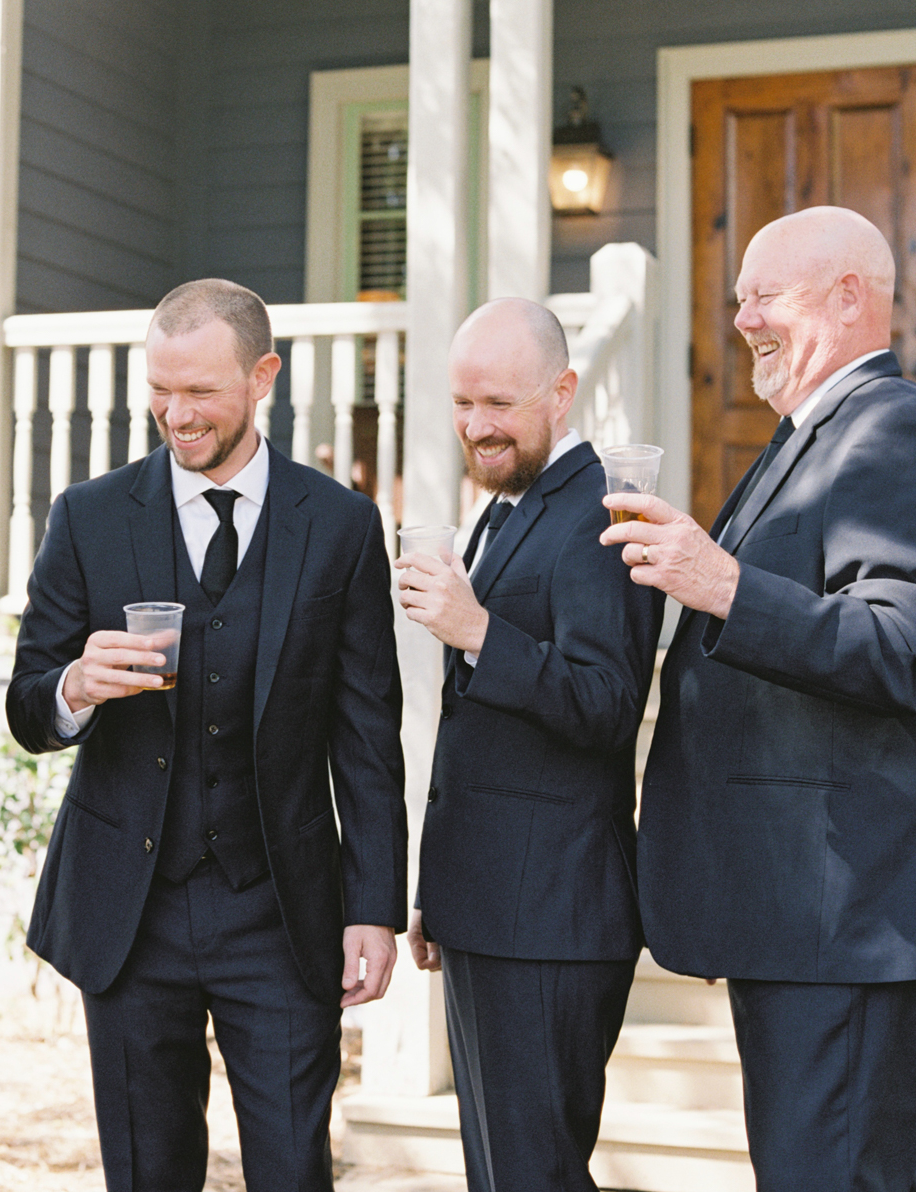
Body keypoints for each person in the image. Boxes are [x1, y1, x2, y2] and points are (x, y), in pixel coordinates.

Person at [602, 206, 916, 1191]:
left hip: (857, 916)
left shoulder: (904, 434)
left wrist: (721, 582)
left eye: (762, 294)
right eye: (738, 298)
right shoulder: (801, 441)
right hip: (801, 919)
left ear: (851, 295)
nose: (741, 320)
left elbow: (907, 649)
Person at [7, 278, 407, 1192]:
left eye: (201, 392)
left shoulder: (340, 527)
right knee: (147, 1174)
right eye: (160, 389)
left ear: (262, 376)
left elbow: (365, 736)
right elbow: (29, 705)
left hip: (280, 909)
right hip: (130, 909)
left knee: (293, 1169)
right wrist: (74, 685)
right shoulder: (90, 517)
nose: (175, 415)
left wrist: (373, 907)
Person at [396, 298, 662, 1192]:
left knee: (534, 1176)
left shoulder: (600, 514)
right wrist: (443, 887)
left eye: (500, 405)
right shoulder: (510, 512)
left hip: (553, 915)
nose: (477, 427)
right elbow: (481, 736)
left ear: (563, 392)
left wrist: (476, 630)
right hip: (491, 906)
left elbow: (607, 706)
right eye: (463, 404)